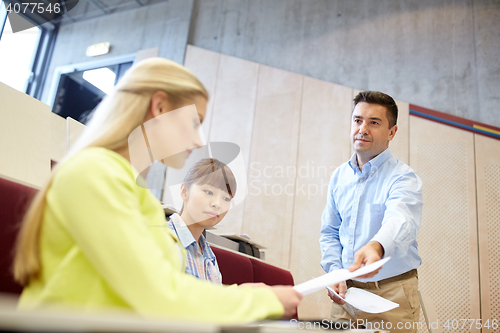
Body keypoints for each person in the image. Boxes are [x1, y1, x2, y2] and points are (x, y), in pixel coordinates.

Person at [13, 58, 301, 324]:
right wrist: (261, 299)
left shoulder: (137, 194)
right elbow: (159, 295)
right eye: (194, 122)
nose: (199, 138)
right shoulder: (94, 172)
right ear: (160, 107)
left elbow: (157, 290)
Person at [319, 91, 423, 333]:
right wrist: (334, 272)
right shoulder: (339, 176)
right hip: (345, 297)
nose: (362, 129)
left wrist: (376, 247)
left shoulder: (404, 178)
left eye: (373, 122)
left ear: (392, 132)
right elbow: (330, 232)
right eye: (357, 120)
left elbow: (401, 221)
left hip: (391, 295)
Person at [167, 158, 236, 284]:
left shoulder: (210, 257)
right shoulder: (162, 238)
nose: (217, 204)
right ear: (184, 191)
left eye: (226, 199)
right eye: (209, 192)